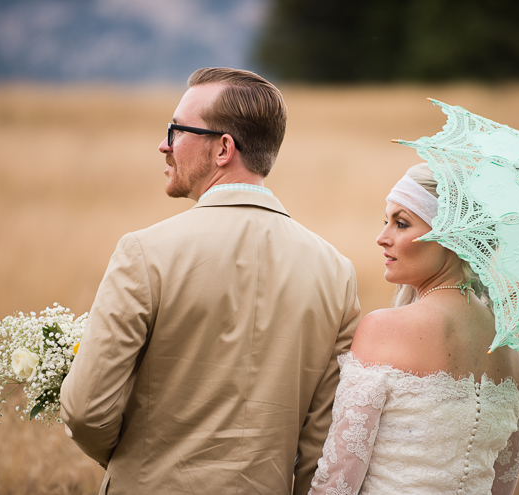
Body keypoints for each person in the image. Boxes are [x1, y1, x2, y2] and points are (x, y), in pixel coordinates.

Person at [60, 67, 361, 495]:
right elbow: (322, 446)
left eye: (177, 130)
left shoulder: (145, 252)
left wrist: (137, 463)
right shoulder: (336, 272)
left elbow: (86, 411)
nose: (163, 145)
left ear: (223, 148)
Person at [308, 164, 519, 495]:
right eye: (386, 221)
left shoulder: (384, 329)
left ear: (449, 236)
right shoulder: (508, 351)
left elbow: (338, 482)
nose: (382, 238)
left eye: (401, 223)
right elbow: (503, 485)